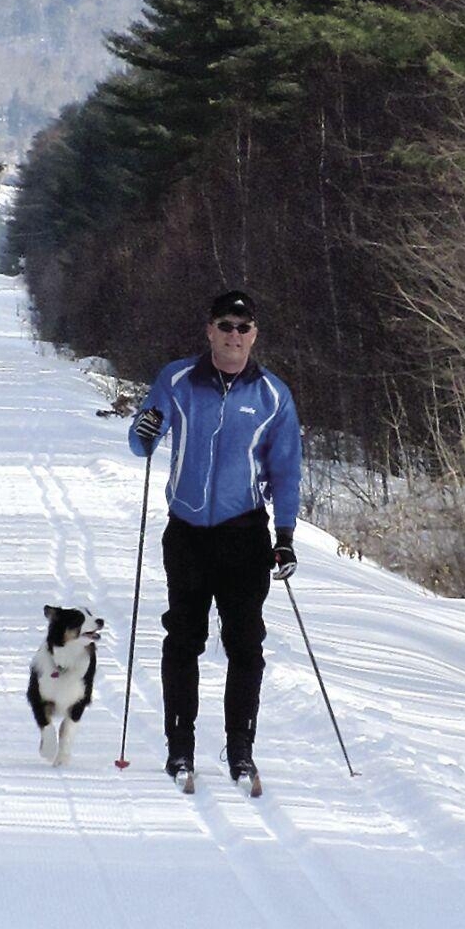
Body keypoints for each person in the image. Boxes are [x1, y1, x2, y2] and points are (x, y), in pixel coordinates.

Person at [128, 290, 301, 793]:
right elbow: (141, 440)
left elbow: (286, 471)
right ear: (209, 330)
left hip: (244, 534)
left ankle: (240, 747)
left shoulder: (272, 395)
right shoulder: (178, 379)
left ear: (254, 335)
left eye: (243, 328)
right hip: (186, 534)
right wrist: (144, 429)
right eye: (225, 325)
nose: (233, 336)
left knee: (246, 644)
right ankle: (179, 746)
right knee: (184, 640)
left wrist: (285, 535)